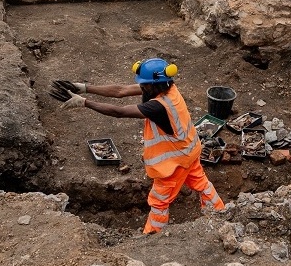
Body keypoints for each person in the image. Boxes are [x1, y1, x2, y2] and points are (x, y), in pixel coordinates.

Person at [59, 59, 225, 234]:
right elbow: (120, 91)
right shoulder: (167, 88)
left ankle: (152, 236)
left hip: (174, 164)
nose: (142, 88)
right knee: (202, 184)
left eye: (144, 85)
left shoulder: (159, 106)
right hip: (190, 151)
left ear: (154, 84)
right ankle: (220, 214)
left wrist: (84, 102)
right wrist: (85, 87)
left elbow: (119, 112)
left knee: (159, 202)